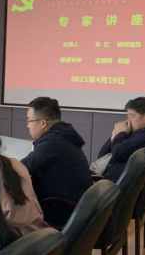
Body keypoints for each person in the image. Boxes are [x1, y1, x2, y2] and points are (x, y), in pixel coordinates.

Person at [21, 97, 93, 227]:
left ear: (43, 123)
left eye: (29, 121)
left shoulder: (52, 143)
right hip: (76, 209)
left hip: (61, 212)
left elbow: (20, 168)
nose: (27, 125)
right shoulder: (63, 136)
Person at [94, 97, 145, 182]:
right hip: (102, 176)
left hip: (110, 184)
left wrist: (120, 134)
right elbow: (102, 156)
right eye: (127, 116)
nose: (127, 120)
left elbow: (118, 153)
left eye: (131, 116)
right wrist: (113, 138)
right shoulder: (134, 133)